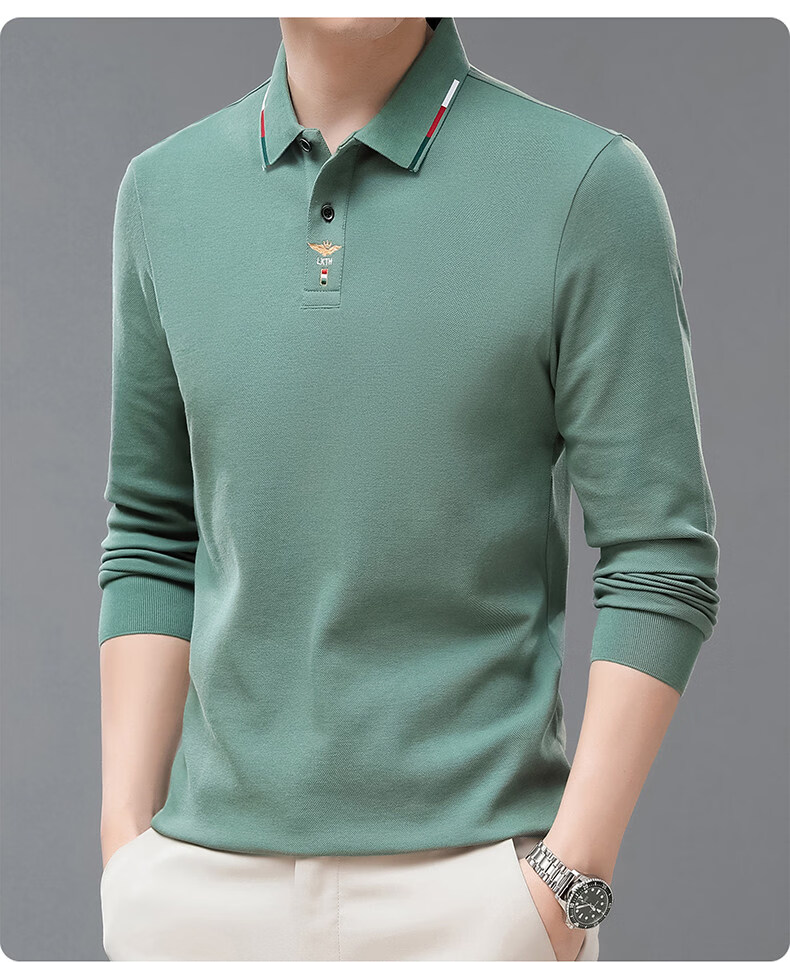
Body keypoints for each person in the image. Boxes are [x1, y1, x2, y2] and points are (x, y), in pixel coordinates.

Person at [96, 16, 720, 962]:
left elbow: (659, 550)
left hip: (475, 899)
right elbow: (151, 531)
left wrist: (568, 882)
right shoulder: (162, 193)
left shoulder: (586, 186)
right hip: (196, 895)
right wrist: (127, 848)